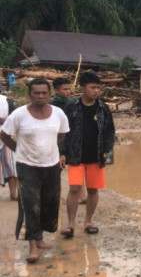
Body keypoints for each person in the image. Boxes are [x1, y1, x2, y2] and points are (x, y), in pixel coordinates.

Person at [0, 78, 70, 263]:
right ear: (29, 94)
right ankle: (32, 246)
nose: (40, 96)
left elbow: (62, 134)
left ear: (49, 94)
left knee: (49, 203)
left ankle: (39, 238)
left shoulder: (58, 113)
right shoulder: (19, 115)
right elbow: (5, 134)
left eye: (44, 93)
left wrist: (51, 150)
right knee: (30, 204)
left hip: (51, 165)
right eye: (36, 93)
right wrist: (18, 149)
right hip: (27, 166)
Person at [59, 72, 115, 238]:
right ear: (82, 88)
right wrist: (62, 152)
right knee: (75, 188)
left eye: (98, 87)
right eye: (92, 87)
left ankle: (88, 222)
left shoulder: (103, 108)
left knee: (93, 190)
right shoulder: (71, 107)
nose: (96, 91)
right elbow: (64, 132)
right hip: (75, 155)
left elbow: (110, 132)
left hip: (96, 156)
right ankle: (70, 224)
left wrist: (107, 150)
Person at [51, 77, 87, 203]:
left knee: (77, 167)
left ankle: (81, 196)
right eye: (65, 89)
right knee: (57, 170)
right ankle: (55, 196)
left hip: (73, 140)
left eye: (69, 89)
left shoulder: (74, 104)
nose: (68, 92)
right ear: (56, 90)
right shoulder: (52, 106)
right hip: (57, 141)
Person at [1, 92, 18, 200]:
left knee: (10, 164)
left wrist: (4, 120)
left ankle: (13, 193)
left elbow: (15, 117)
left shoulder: (5, 101)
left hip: (6, 135)